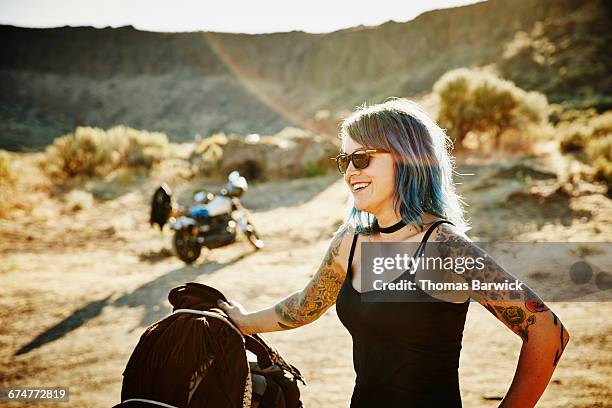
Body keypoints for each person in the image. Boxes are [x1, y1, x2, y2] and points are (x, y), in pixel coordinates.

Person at [218, 98, 570, 407]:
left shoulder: (444, 247)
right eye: (346, 161)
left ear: (406, 158)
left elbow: (546, 332)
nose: (350, 172)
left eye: (362, 158)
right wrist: (240, 321)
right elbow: (306, 306)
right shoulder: (351, 241)